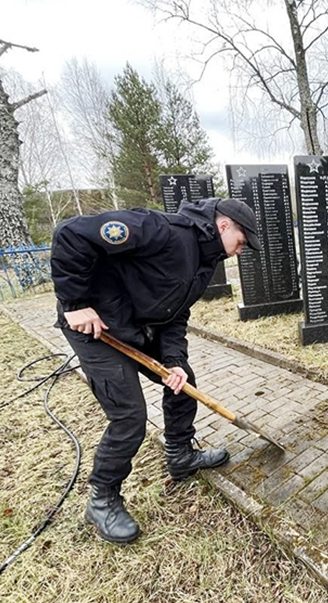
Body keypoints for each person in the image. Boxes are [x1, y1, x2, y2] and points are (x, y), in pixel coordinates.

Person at [50, 197, 260, 544]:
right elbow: (73, 234)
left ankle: (180, 455)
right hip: (97, 330)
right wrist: (74, 304)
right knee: (130, 415)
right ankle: (102, 498)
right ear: (224, 226)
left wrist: (174, 360)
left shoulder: (205, 262)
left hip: (135, 328)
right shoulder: (161, 230)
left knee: (182, 381)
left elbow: (176, 315)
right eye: (241, 242)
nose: (241, 250)